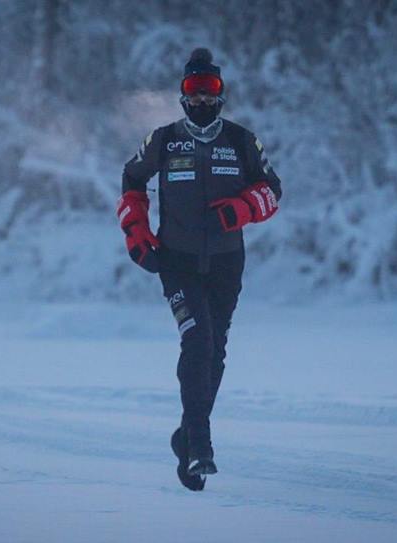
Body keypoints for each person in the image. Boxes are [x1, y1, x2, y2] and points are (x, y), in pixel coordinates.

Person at [115, 48, 283, 491]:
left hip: (227, 262)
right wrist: (137, 233)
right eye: (195, 91)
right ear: (182, 95)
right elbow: (131, 179)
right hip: (178, 261)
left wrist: (238, 210)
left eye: (211, 92)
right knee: (198, 340)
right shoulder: (164, 141)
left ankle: (184, 434)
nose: (203, 101)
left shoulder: (241, 141)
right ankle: (199, 448)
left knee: (216, 351)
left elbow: (272, 191)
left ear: (222, 96)